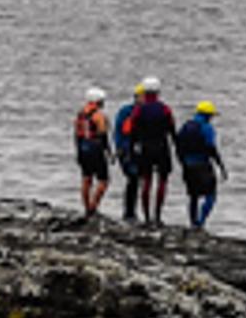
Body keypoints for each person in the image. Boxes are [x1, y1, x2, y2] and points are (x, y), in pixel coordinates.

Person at [115, 78, 177, 224]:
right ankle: (158, 216)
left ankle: (147, 217)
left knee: (146, 182)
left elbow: (131, 133)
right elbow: (172, 131)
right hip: (162, 147)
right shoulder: (165, 109)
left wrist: (129, 150)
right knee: (162, 181)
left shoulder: (137, 111)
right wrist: (178, 150)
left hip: (145, 148)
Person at [174, 99, 227, 229]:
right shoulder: (207, 128)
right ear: (208, 115)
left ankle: (192, 222)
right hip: (202, 165)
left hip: (188, 165)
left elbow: (178, 145)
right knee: (211, 195)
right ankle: (201, 221)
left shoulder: (186, 126)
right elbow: (211, 148)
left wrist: (182, 162)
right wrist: (221, 166)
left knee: (193, 196)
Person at [70, 87, 113, 221]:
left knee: (86, 178)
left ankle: (86, 207)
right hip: (95, 148)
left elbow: (76, 135)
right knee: (103, 180)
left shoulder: (80, 114)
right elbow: (102, 134)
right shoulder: (98, 115)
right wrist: (109, 152)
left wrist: (77, 151)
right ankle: (93, 206)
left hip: (82, 148)